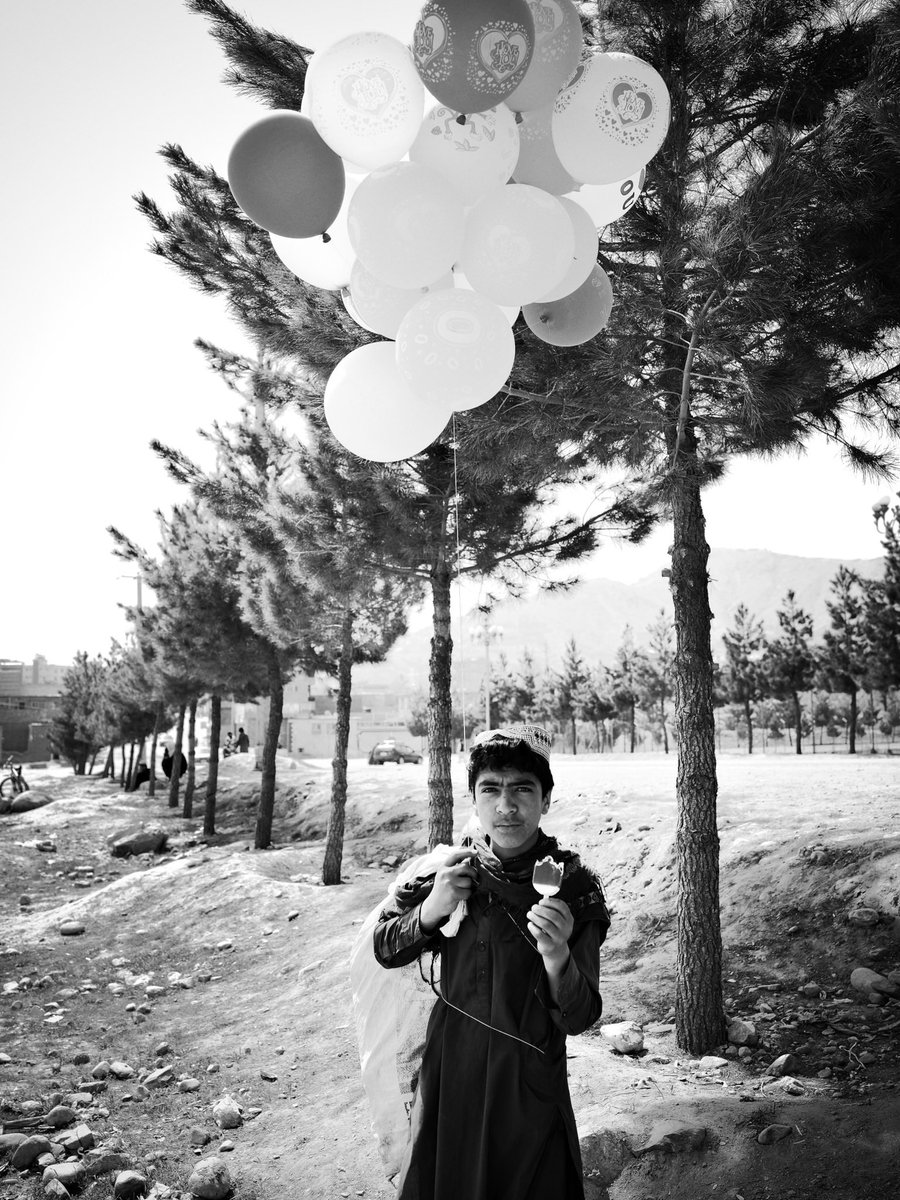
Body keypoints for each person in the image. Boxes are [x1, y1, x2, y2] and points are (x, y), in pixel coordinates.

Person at [373, 725, 609, 1200]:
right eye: (491, 790)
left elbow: (580, 1017)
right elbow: (383, 948)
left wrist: (558, 955)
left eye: (523, 789)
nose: (506, 806)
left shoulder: (573, 887)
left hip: (527, 1083)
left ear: (546, 800)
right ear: (473, 800)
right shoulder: (453, 870)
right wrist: (432, 910)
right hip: (450, 1075)